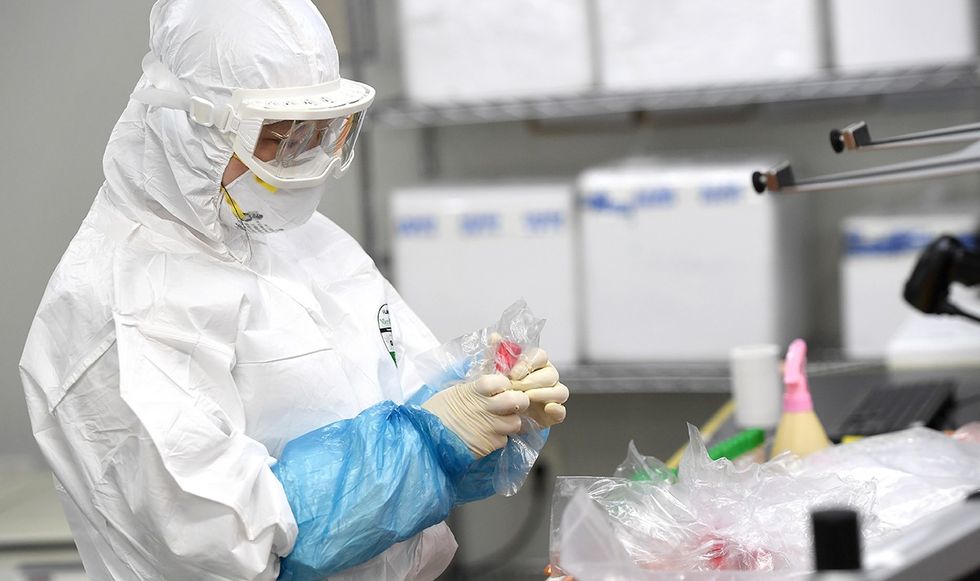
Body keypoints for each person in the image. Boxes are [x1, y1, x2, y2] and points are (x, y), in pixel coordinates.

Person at [18, 1, 569, 579]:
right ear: (187, 123)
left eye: (323, 133)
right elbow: (237, 547)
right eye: (279, 140)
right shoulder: (118, 313)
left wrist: (485, 404)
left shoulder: (291, 235)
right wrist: (430, 444)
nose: (306, 164)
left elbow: (405, 395)